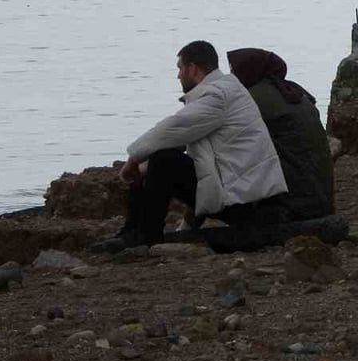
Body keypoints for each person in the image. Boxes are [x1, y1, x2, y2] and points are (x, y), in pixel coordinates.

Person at [90, 40, 288, 252]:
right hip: (242, 194)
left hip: (244, 201)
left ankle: (145, 235)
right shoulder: (226, 90)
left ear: (192, 69)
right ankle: (132, 232)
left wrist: (133, 160)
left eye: (180, 68)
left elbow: (172, 128)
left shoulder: (217, 96)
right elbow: (181, 139)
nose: (178, 75)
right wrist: (143, 166)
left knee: (163, 160)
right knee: (158, 159)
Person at [226, 47, 334, 220]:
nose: (231, 78)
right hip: (321, 200)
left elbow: (222, 138)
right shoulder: (293, 92)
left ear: (249, 71)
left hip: (293, 206)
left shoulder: (255, 98)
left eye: (234, 71)